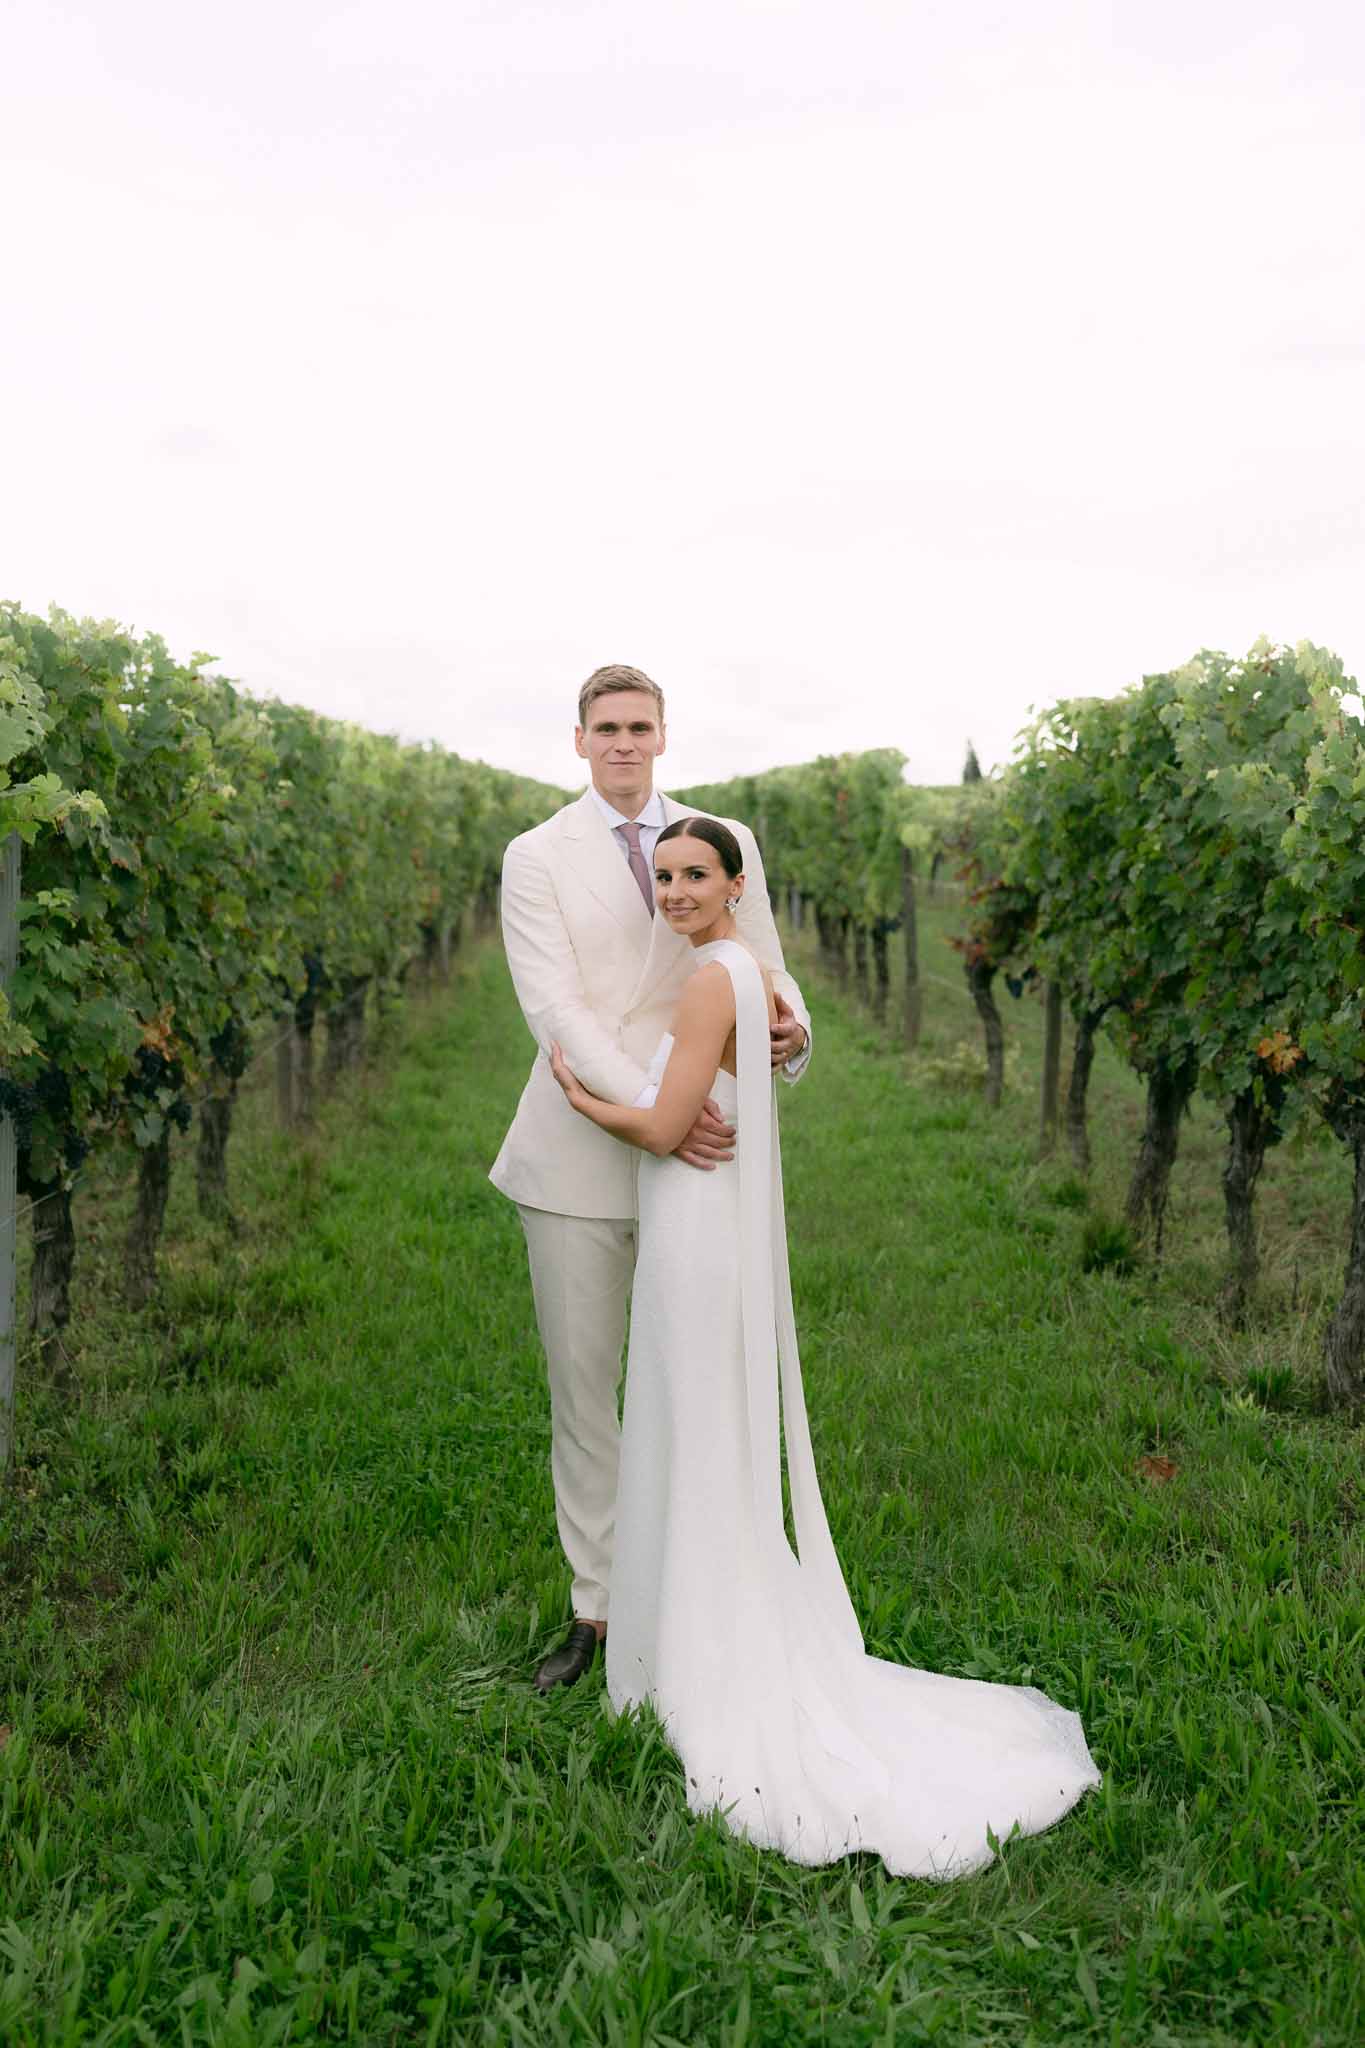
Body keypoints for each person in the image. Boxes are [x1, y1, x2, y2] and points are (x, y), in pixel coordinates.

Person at [548, 815, 1101, 1877]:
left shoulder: (716, 980)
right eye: (662, 875)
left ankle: (702, 1658)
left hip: (695, 1229)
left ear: (733, 880)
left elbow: (667, 1128)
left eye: (693, 874)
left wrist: (584, 1094)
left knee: (695, 1420)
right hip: (703, 1225)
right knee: (701, 1418)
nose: (672, 890)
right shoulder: (753, 972)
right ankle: (694, 1628)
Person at [490, 665, 812, 1693]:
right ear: (579, 739)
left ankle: (703, 1591)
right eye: (606, 727)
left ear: (663, 734)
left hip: (700, 1154)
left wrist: (795, 1034)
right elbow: (558, 1011)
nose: (624, 742)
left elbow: (761, 961)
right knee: (587, 1391)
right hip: (590, 1143)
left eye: (640, 725)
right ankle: (597, 1606)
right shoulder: (535, 857)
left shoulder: (727, 839)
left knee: (699, 1377)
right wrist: (660, 1113)